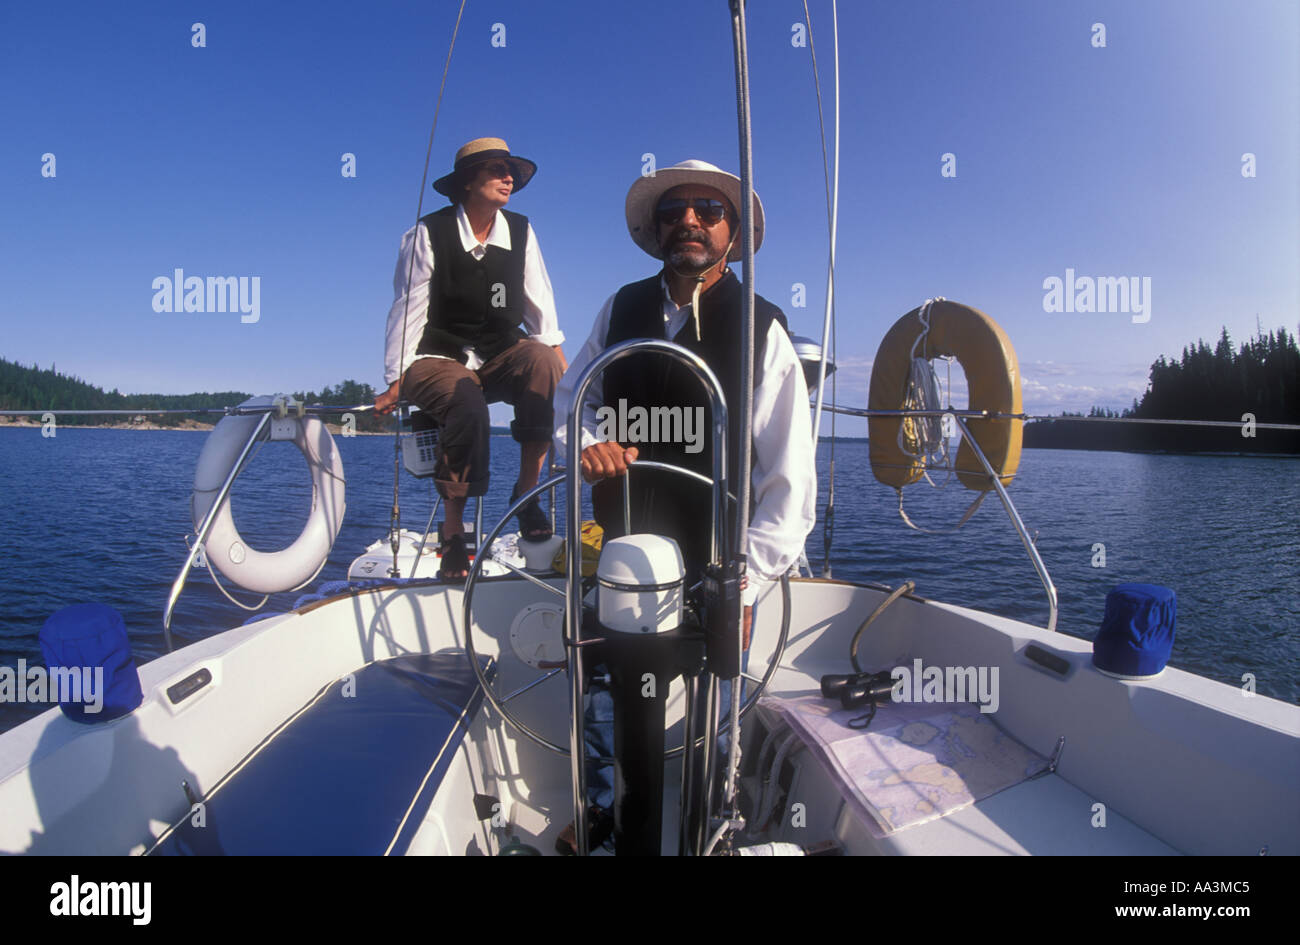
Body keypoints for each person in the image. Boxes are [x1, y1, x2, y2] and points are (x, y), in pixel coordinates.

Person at [552, 159, 817, 847]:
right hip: (621, 560)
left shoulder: (763, 329)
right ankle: (608, 820)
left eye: (708, 208)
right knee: (606, 702)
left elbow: (789, 483)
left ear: (733, 231)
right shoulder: (619, 309)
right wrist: (584, 444)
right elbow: (570, 398)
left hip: (717, 570)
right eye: (674, 211)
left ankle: (716, 822)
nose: (690, 221)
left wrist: (748, 581)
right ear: (657, 229)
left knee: (718, 716)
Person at [375, 137, 566, 580]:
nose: (508, 179)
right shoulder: (429, 233)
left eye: (512, 173)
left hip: (499, 352)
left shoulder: (520, 230)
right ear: (466, 182)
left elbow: (542, 307)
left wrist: (566, 374)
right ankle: (455, 532)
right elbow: (406, 310)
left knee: (543, 365)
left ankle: (526, 494)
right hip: (435, 356)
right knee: (465, 399)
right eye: (498, 170)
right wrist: (396, 381)